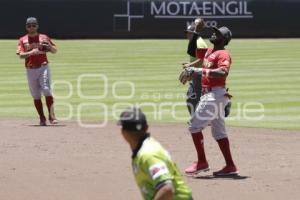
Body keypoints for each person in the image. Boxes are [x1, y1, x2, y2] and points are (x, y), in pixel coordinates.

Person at [180, 26, 238, 176]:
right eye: (214, 31)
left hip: (214, 95)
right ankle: (230, 166)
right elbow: (199, 59)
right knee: (219, 133)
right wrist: (191, 73)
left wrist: (198, 71)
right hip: (213, 95)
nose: (213, 33)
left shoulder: (223, 54)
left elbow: (222, 72)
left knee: (194, 126)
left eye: (217, 33)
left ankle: (202, 162)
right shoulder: (209, 52)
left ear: (224, 39)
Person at [118, 107, 193, 200]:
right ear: (146, 127)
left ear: (123, 132)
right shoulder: (145, 149)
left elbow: (167, 189)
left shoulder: (148, 154)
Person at [16, 17, 58, 126]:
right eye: (29, 25)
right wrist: (31, 52)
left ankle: (52, 116)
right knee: (36, 95)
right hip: (30, 69)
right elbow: (20, 55)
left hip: (43, 67)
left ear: (37, 26)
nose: (31, 27)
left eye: (33, 25)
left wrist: (49, 46)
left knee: (47, 90)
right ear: (26, 27)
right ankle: (42, 118)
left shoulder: (44, 37)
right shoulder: (22, 39)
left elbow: (55, 50)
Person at [184, 18, 207, 115]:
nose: (187, 34)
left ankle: (198, 119)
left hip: (199, 75)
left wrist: (190, 65)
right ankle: (197, 118)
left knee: (193, 98)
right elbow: (197, 58)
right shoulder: (194, 42)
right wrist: (189, 64)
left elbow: (202, 59)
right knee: (193, 98)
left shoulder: (199, 42)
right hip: (196, 73)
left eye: (189, 33)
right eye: (187, 33)